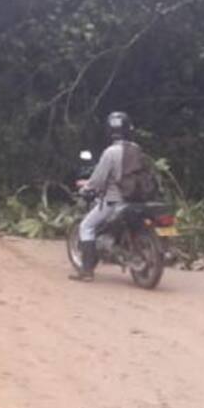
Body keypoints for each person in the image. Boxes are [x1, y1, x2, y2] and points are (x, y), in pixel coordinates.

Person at [70, 110, 134, 282]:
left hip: (114, 201)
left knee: (86, 226)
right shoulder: (136, 149)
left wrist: (86, 187)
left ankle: (87, 271)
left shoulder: (110, 152)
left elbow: (98, 179)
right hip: (135, 200)